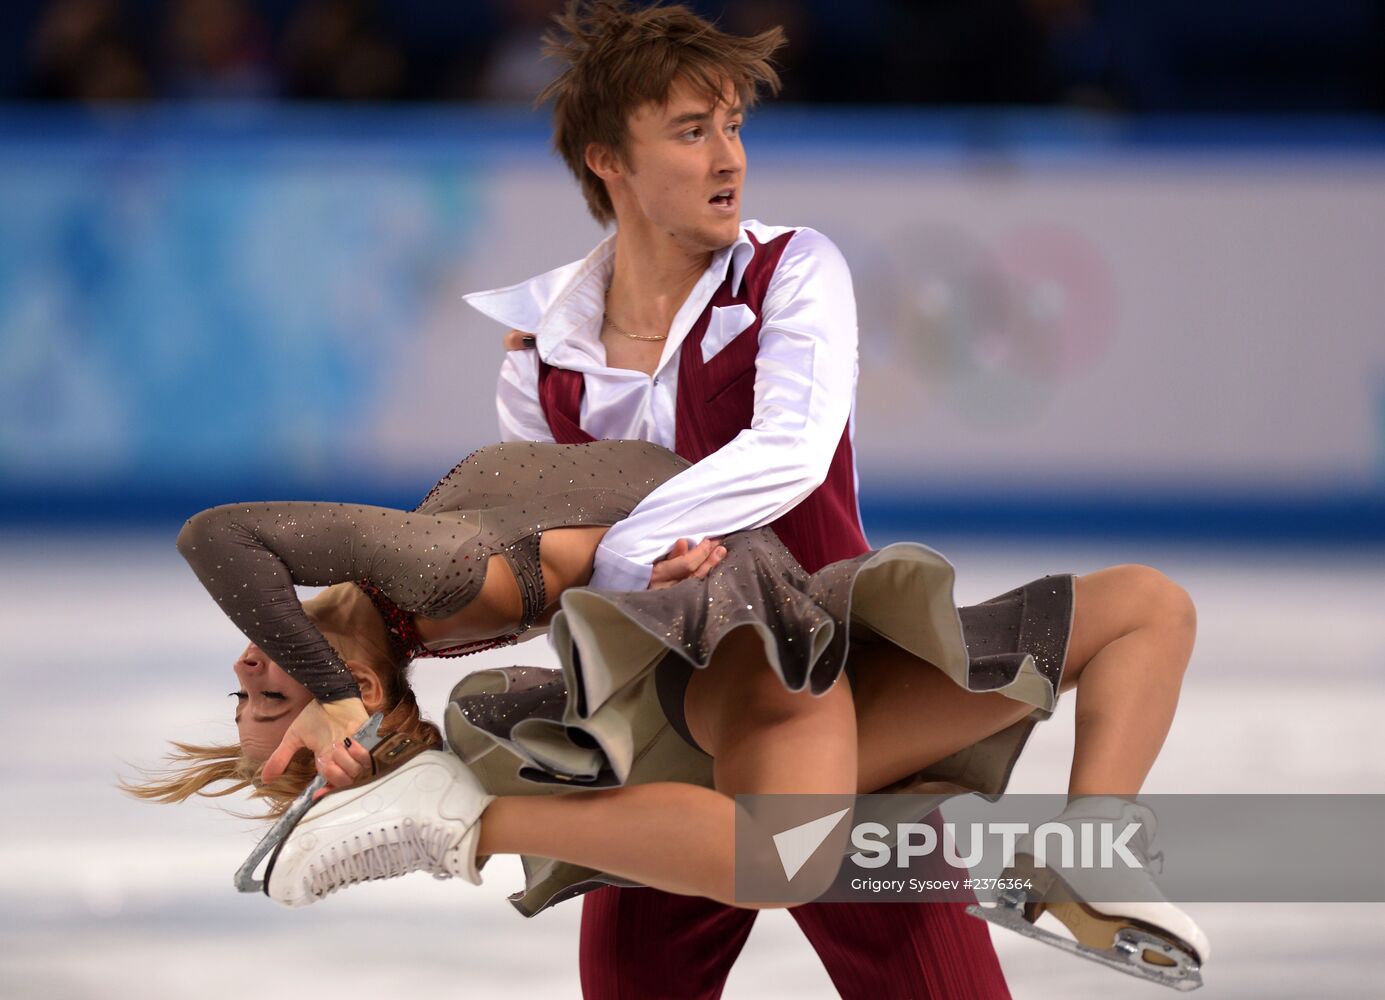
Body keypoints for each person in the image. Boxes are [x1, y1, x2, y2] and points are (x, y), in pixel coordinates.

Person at [458, 2, 1206, 996]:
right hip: (668, 741)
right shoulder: (540, 358)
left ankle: (1084, 855)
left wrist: (629, 550)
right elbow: (547, 551)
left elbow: (791, 448)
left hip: (843, 698)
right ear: (608, 161)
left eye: (733, 126)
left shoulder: (790, 268)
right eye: (690, 132)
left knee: (1144, 609)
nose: (727, 156)